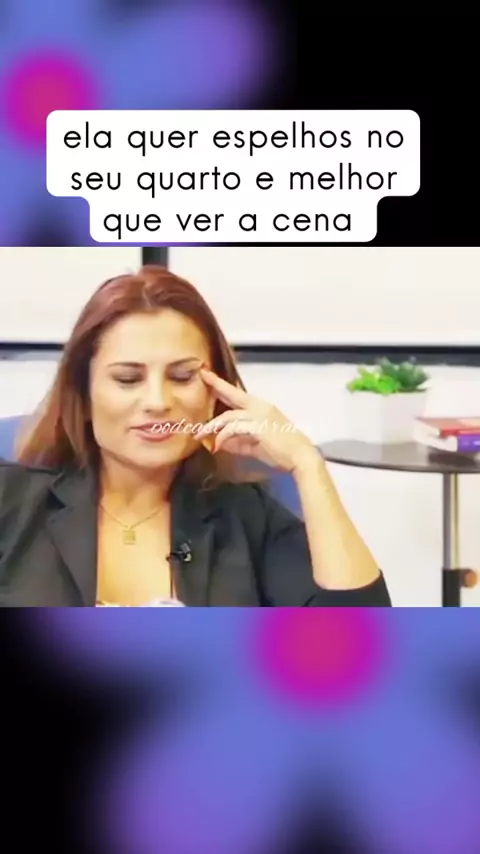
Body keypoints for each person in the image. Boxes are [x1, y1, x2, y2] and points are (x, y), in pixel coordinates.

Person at [0, 265, 391, 607]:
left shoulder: (248, 517)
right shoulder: (12, 501)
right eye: (128, 379)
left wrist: (308, 465)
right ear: (84, 395)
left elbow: (359, 641)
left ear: (214, 392)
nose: (157, 402)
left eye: (183, 376)